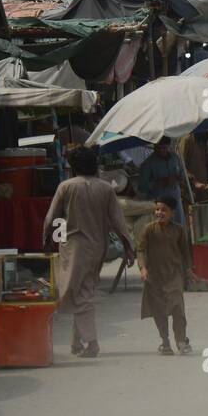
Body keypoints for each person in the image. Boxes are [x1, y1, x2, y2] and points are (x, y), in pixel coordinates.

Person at [44, 146, 136, 358]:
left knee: (78, 293)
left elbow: (51, 219)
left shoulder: (65, 187)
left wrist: (48, 240)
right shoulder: (105, 188)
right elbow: (118, 221)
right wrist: (128, 248)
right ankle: (76, 343)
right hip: (98, 247)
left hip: (73, 248)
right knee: (82, 291)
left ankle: (92, 343)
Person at [137, 196, 197, 356]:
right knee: (159, 311)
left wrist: (189, 269)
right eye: (157, 209)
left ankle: (181, 340)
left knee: (177, 307)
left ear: (172, 212)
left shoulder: (178, 230)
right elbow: (141, 250)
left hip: (174, 275)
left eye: (164, 210)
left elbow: (185, 252)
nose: (159, 213)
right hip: (154, 278)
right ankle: (165, 341)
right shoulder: (148, 229)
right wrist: (143, 268)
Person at [138, 136, 188, 226]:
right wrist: (160, 183)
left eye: (164, 148)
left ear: (168, 146)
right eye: (158, 148)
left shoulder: (175, 158)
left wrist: (180, 178)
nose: (161, 150)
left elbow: (183, 175)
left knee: (179, 227)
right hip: (159, 204)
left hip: (175, 200)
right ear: (154, 147)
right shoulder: (148, 164)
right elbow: (142, 187)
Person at [182, 130, 208, 203]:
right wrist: (194, 182)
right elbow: (181, 165)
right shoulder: (187, 140)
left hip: (206, 190)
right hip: (190, 191)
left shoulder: (206, 140)